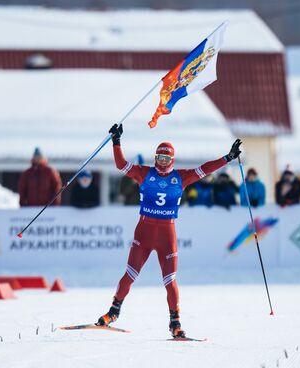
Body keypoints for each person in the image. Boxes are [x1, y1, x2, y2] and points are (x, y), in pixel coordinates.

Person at [97, 124, 241, 338]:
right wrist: (116, 141)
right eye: (159, 158)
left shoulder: (181, 177)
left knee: (170, 280)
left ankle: (175, 322)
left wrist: (227, 158)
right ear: (155, 158)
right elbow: (120, 165)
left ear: (172, 160)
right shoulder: (144, 173)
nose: (162, 162)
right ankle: (113, 312)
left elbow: (206, 169)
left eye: (166, 159)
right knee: (129, 275)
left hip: (167, 236)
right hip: (144, 233)